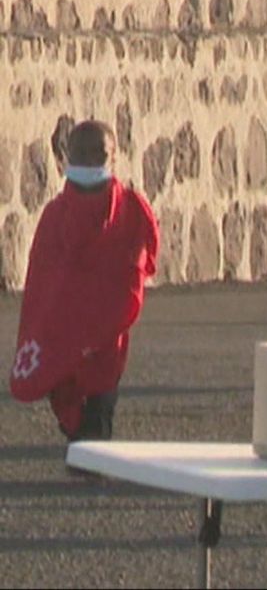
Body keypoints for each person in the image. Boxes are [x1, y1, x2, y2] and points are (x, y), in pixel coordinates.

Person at [9, 121, 159, 456]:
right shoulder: (55, 215)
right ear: (67, 156)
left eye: (99, 154)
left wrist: (112, 312)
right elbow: (42, 277)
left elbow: (136, 264)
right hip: (63, 327)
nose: (91, 161)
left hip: (106, 329)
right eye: (82, 153)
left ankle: (94, 452)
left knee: (101, 391)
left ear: (114, 156)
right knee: (64, 387)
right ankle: (81, 436)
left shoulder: (130, 209)